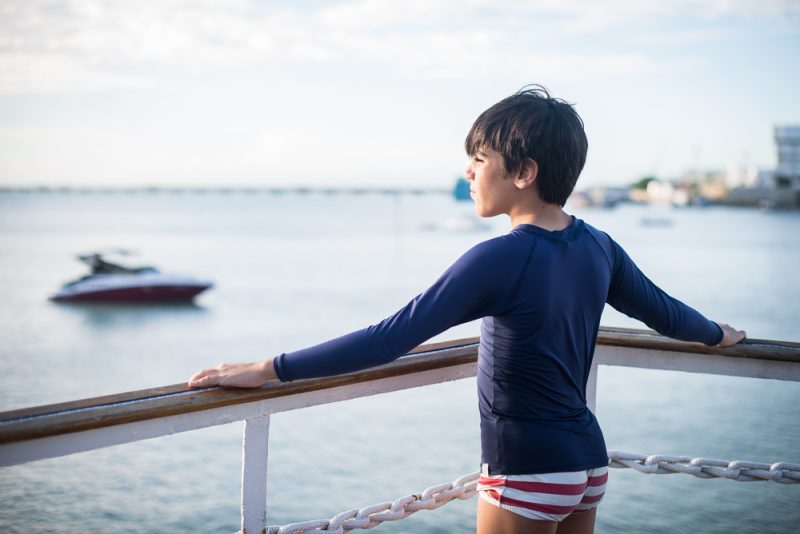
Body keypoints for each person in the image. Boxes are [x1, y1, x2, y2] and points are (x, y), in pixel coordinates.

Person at [188, 86, 746, 534]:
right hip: (588, 464)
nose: (468, 173)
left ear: (523, 172)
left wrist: (267, 368)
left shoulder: (498, 257)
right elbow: (667, 315)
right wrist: (718, 333)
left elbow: (389, 338)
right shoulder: (598, 244)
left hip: (526, 470)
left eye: (479, 160)